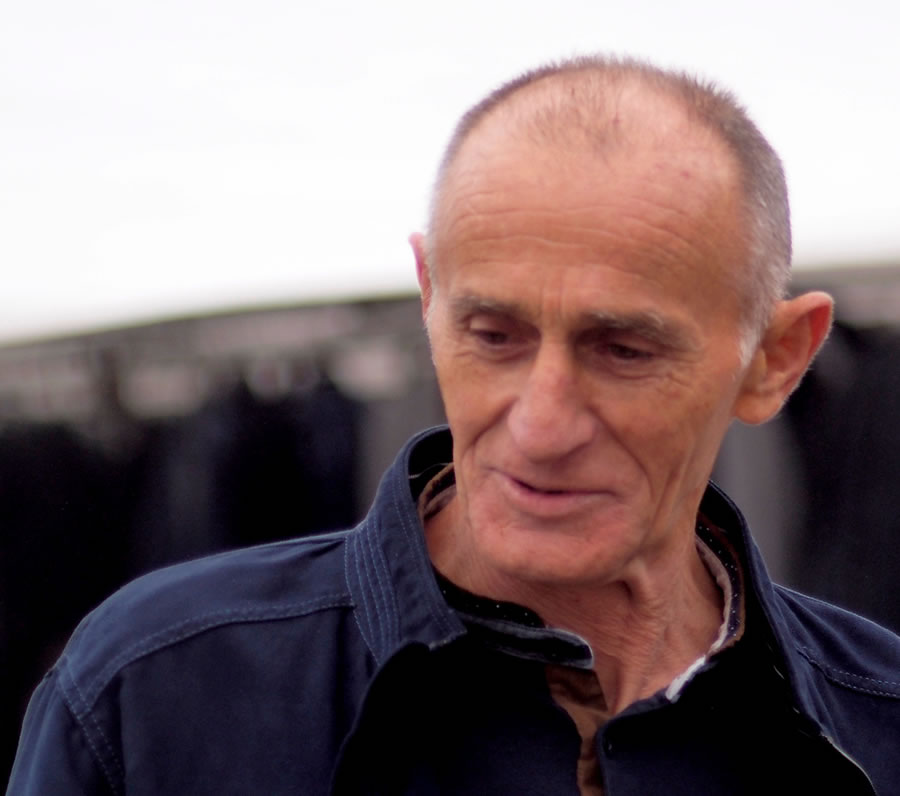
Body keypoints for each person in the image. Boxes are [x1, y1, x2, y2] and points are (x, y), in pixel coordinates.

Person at [9, 56, 900, 795]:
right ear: (428, 301)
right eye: (493, 336)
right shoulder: (157, 695)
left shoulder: (876, 724)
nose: (542, 427)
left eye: (624, 350)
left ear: (776, 358)